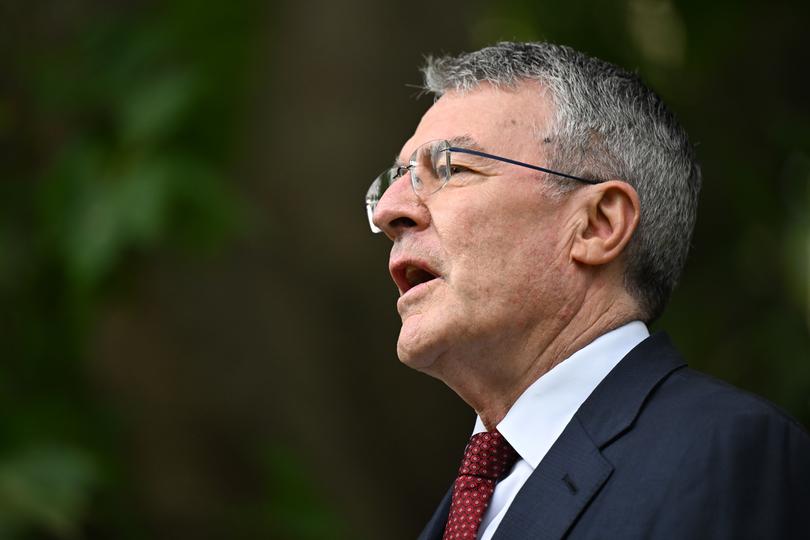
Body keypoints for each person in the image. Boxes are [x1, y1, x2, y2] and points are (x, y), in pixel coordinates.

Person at [365, 42, 810, 540]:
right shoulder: (468, 503)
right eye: (399, 179)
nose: (389, 210)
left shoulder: (727, 452)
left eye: (450, 168)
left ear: (597, 225)